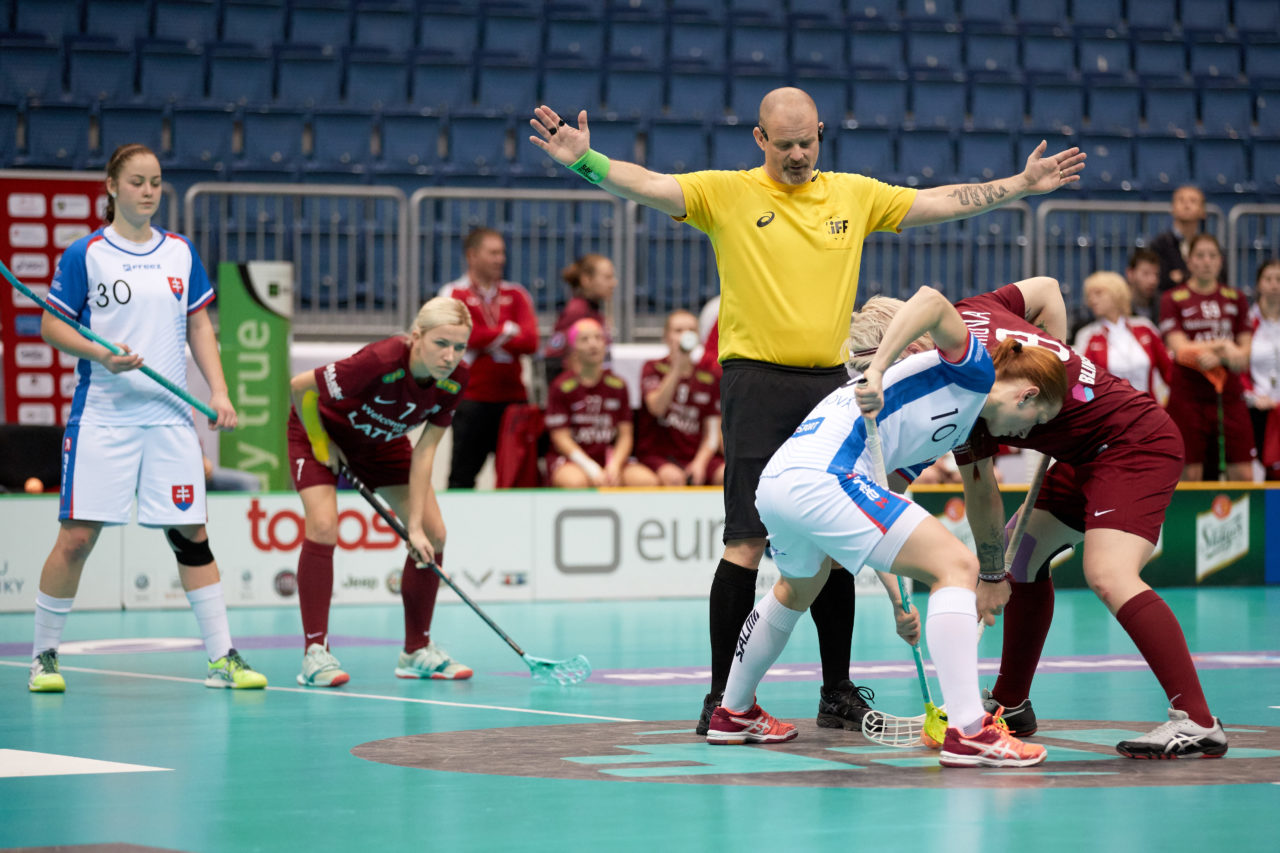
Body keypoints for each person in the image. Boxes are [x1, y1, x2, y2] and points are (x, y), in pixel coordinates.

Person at [528, 86, 1086, 734]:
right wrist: (586, 162)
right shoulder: (727, 192)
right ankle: (721, 697)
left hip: (832, 380)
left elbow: (937, 203)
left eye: (807, 142)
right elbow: (650, 184)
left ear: (821, 133)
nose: (797, 154)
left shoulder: (850, 193)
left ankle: (837, 688)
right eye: (784, 144)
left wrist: (1019, 184)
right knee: (744, 539)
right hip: (755, 380)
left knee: (838, 535)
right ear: (759, 140)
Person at [708, 285, 1062, 770]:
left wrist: (900, 604)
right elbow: (934, 302)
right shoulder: (975, 369)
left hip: (782, 481)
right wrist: (876, 370)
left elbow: (881, 503)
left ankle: (733, 711)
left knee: (799, 585)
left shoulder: (951, 430)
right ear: (1026, 393)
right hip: (825, 475)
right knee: (957, 566)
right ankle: (970, 730)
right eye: (1031, 421)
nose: (1023, 435)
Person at [916, 276, 1231, 759]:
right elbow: (1045, 288)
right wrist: (1002, 572)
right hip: (1083, 454)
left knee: (1108, 573)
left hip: (1134, 442)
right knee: (1022, 556)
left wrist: (991, 577)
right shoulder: (971, 312)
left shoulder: (964, 397)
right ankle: (1011, 702)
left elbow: (983, 495)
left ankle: (1198, 721)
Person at [27, 143, 266, 693]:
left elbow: (199, 326)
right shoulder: (85, 254)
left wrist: (220, 392)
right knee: (78, 538)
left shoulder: (180, 252)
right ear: (112, 187)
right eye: (137, 181)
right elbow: (51, 327)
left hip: (169, 419)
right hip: (103, 419)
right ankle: (42, 657)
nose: (149, 191)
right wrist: (102, 354)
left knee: (192, 534)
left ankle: (222, 657)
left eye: (155, 181)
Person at [286, 297, 475, 687]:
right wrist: (322, 444)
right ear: (416, 337)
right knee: (323, 526)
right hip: (321, 433)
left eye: (459, 347)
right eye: (442, 344)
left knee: (435, 535)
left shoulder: (457, 379)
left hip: (384, 446)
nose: (450, 356)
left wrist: (416, 529)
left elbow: (425, 452)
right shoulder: (382, 360)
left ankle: (416, 651)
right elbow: (300, 387)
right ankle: (314, 653)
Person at [438, 228, 539, 490]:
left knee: (517, 477)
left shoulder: (516, 294)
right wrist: (505, 332)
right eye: (493, 253)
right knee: (462, 475)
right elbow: (457, 335)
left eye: (502, 253)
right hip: (473, 399)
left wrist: (485, 340)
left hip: (513, 399)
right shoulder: (454, 294)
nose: (500, 259)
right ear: (472, 255)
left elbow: (530, 341)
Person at [1158, 233, 1255, 482]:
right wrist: (1223, 346)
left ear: (1220, 261)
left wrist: (1220, 357)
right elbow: (1180, 350)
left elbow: (1243, 356)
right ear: (1189, 261)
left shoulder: (1237, 298)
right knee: (1190, 474)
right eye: (1200, 255)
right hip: (1188, 397)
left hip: (1229, 396)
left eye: (1212, 255)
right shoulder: (1172, 299)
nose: (1206, 261)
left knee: (1243, 472)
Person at [545, 318, 658, 487]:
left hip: (609, 459)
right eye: (585, 339)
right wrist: (590, 467)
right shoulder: (561, 387)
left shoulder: (618, 385)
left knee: (646, 481)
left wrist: (615, 465)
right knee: (575, 482)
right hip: (572, 460)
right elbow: (560, 438)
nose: (593, 344)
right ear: (573, 348)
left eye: (598, 338)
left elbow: (625, 435)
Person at [635, 310, 725, 487]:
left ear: (698, 337)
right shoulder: (652, 368)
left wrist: (700, 462)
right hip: (658, 455)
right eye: (678, 330)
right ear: (666, 337)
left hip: (694, 455)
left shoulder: (709, 377)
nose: (685, 335)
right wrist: (677, 368)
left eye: (691, 330)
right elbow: (657, 407)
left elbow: (712, 433)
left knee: (728, 474)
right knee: (674, 478)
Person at [1073, 271, 1172, 402]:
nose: (1091, 300)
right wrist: (1094, 411)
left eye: (1098, 293)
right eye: (1089, 295)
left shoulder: (1145, 327)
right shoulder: (1087, 335)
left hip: (1149, 411)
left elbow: (1170, 373)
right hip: (1110, 417)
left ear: (1117, 294)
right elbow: (1079, 386)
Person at [542, 254, 617, 386]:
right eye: (607, 277)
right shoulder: (577, 311)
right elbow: (556, 357)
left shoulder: (594, 311)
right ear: (586, 280)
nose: (613, 283)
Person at [1148, 185, 1226, 293]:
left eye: (1193, 201)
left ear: (1203, 211)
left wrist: (1181, 276)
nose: (1186, 205)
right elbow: (1161, 281)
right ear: (1172, 208)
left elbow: (1220, 279)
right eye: (1181, 200)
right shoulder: (1159, 245)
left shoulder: (1212, 246)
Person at [1246, 259, 1280, 480]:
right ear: (1259, 284)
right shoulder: (1247, 322)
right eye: (1268, 279)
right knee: (1259, 478)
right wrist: (1253, 396)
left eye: (1279, 279)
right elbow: (1238, 369)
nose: (1274, 285)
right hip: (1256, 409)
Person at [1126, 248, 1163, 324]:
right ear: (1130, 274)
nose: (1153, 280)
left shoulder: (1163, 304)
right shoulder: (1117, 307)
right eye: (1146, 273)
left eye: (1156, 274)